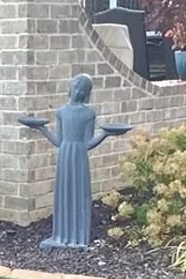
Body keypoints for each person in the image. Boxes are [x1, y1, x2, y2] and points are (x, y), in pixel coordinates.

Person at [18, 74, 130, 248]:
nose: (78, 92)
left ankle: (78, 237)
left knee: (79, 193)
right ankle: (61, 235)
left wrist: (105, 134)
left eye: (83, 90)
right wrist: (42, 129)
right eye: (76, 87)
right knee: (63, 192)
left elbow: (87, 143)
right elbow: (59, 141)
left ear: (87, 93)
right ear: (70, 89)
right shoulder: (61, 112)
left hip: (78, 156)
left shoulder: (88, 114)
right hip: (65, 155)